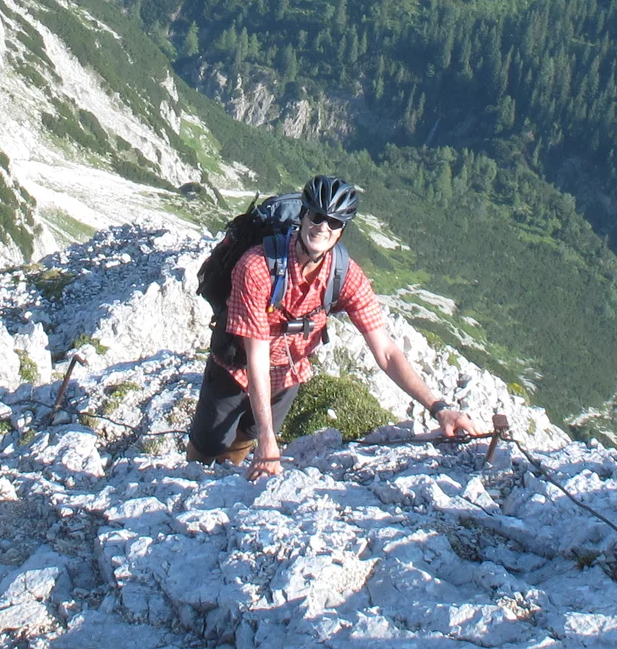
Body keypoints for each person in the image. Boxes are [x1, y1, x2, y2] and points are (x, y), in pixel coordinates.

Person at [186, 175, 480, 478]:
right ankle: (192, 480)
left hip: (287, 374)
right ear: (303, 215)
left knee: (245, 436)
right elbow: (256, 355)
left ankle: (226, 480)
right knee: (206, 447)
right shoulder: (257, 266)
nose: (323, 227)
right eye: (317, 216)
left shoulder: (345, 275)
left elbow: (387, 352)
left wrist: (439, 408)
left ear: (342, 230)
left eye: (334, 222)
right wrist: (268, 439)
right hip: (235, 366)